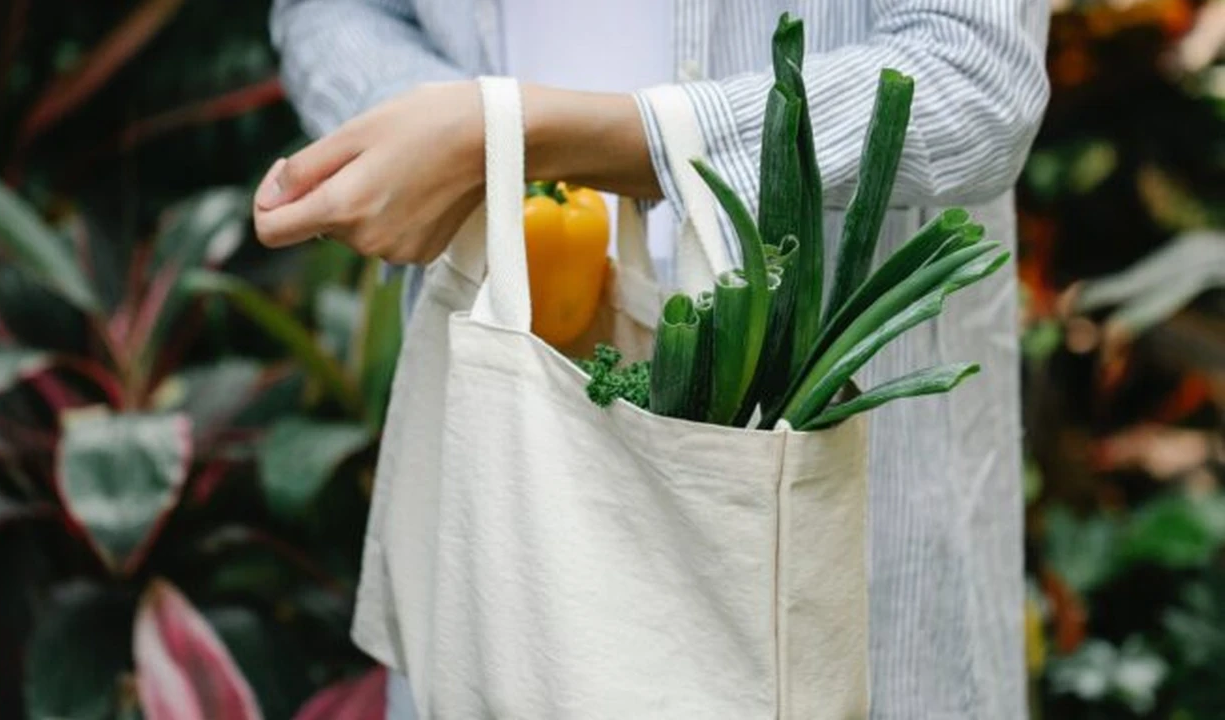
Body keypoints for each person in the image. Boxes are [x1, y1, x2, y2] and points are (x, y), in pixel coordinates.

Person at [256, 1, 1049, 718]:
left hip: (837, 492)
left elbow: (974, 74)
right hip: (498, 434)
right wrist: (426, 131)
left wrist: (516, 137)